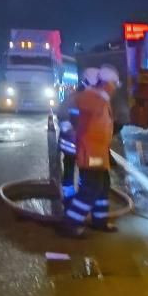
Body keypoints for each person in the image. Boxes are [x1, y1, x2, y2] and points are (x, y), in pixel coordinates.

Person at [61, 65, 121, 237]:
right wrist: (99, 93)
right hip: (91, 154)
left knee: (102, 187)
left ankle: (99, 221)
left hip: (99, 153)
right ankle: (71, 224)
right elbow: (77, 103)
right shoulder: (92, 97)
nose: (115, 88)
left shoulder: (102, 99)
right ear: (107, 83)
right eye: (113, 84)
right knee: (91, 188)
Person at [56, 66, 99, 200]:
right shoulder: (75, 98)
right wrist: (68, 128)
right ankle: (69, 194)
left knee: (86, 169)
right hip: (72, 143)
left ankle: (82, 193)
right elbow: (62, 113)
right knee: (71, 167)